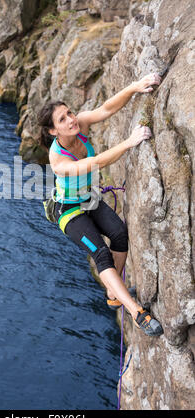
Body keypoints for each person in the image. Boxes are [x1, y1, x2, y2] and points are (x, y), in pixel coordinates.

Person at [38, 73, 163, 337]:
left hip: (88, 198)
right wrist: (129, 142)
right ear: (53, 131)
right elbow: (96, 164)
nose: (71, 119)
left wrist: (135, 86)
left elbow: (106, 109)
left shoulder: (78, 125)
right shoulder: (58, 160)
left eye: (69, 113)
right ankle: (136, 312)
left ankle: (112, 292)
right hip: (68, 211)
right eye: (62, 119)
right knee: (101, 254)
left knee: (119, 233)